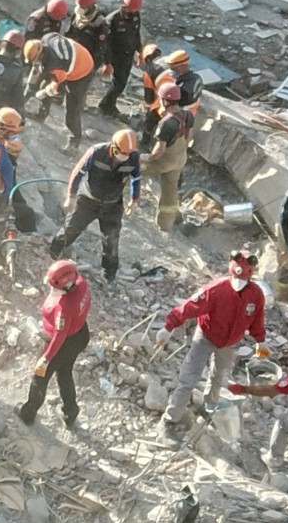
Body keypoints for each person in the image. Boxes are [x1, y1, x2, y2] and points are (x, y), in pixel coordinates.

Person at [161, 250, 268, 436]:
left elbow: (257, 320)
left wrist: (261, 342)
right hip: (205, 337)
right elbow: (190, 307)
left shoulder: (256, 295)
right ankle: (169, 420)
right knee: (189, 380)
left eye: (243, 282)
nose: (238, 285)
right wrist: (169, 326)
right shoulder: (217, 289)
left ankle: (208, 408)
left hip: (228, 344)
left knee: (218, 376)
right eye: (236, 280)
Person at [47, 129, 140, 282]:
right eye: (121, 153)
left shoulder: (133, 158)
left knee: (111, 242)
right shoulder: (96, 152)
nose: (123, 157)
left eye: (127, 154)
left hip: (112, 206)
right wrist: (71, 196)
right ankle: (52, 258)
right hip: (88, 201)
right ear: (113, 146)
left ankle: (108, 276)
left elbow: (136, 178)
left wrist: (134, 199)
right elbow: (78, 173)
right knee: (69, 230)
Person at [17, 259, 91, 430]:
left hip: (60, 344)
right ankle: (70, 413)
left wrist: (46, 358)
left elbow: (59, 335)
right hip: (80, 335)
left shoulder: (64, 308)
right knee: (65, 373)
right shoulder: (82, 284)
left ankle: (28, 413)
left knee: (40, 378)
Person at [23, 33, 95, 148]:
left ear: (41, 55)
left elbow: (54, 85)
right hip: (78, 55)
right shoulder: (47, 37)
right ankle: (42, 113)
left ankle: (74, 141)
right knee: (43, 83)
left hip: (82, 72)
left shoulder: (56, 64)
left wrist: (45, 91)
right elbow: (37, 74)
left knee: (72, 108)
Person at [145, 82, 193, 233]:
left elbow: (159, 151)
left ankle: (117, 197)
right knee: (170, 191)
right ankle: (166, 224)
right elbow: (190, 137)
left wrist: (148, 158)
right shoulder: (188, 115)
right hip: (180, 158)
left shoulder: (166, 124)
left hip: (165, 161)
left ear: (165, 101)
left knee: (130, 168)